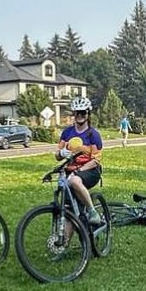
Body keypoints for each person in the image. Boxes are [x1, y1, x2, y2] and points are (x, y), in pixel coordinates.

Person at [58, 96, 104, 224]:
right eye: (77, 113)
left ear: (88, 114)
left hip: (90, 170)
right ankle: (64, 242)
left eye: (83, 112)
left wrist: (78, 171)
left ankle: (92, 211)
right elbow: (57, 155)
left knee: (74, 180)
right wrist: (62, 153)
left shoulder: (93, 134)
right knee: (69, 209)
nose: (80, 115)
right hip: (70, 170)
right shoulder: (67, 133)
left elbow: (96, 160)